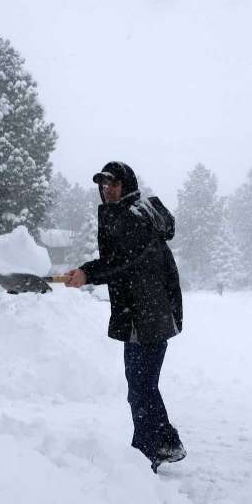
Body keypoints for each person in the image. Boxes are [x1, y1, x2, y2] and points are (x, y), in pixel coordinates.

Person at [65, 161, 186, 472]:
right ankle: (162, 443)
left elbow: (122, 261)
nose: (107, 191)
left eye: (113, 185)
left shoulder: (134, 217)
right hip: (146, 313)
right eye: (103, 186)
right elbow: (118, 261)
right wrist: (84, 272)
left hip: (147, 315)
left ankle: (149, 451)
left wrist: (87, 273)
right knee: (142, 385)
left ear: (127, 185)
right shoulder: (130, 214)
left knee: (140, 387)